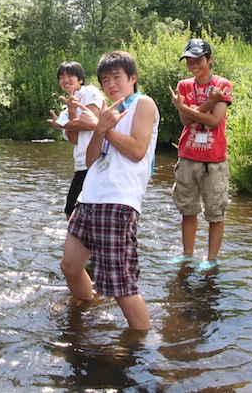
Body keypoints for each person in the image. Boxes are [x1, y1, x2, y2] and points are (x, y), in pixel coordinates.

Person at [60, 50, 159, 333]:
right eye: (105, 80)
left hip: (119, 201)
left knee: (121, 285)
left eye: (117, 77)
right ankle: (87, 308)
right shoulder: (108, 112)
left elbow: (137, 150)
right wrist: (100, 128)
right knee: (70, 266)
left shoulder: (143, 104)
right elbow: (91, 160)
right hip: (89, 197)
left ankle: (145, 341)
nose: (111, 84)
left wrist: (105, 128)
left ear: (132, 78)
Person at [169, 38, 233, 270]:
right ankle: (187, 255)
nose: (193, 65)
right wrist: (209, 102)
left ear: (210, 59)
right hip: (187, 157)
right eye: (189, 61)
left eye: (198, 60)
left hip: (213, 160)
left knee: (215, 213)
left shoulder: (222, 85)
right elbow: (186, 121)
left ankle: (211, 259)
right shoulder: (184, 86)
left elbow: (214, 121)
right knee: (188, 210)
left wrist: (187, 107)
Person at [48, 61, 104, 219]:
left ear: (80, 79)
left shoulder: (90, 92)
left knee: (89, 211)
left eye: (70, 75)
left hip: (98, 161)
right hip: (81, 164)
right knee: (70, 210)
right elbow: (75, 139)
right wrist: (71, 111)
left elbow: (93, 123)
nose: (65, 80)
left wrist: (63, 124)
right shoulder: (66, 110)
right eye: (61, 77)